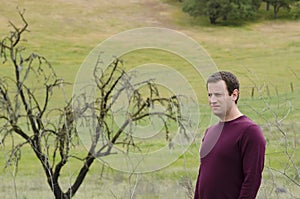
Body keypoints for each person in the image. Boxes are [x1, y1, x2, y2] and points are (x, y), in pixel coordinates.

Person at [194, 71, 266, 199]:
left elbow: (252, 180)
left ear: (234, 95)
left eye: (218, 95)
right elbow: (202, 177)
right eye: (210, 95)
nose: (212, 100)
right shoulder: (210, 132)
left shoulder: (249, 131)